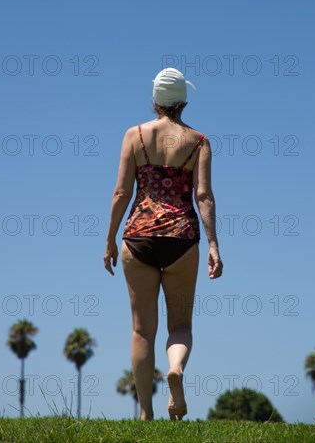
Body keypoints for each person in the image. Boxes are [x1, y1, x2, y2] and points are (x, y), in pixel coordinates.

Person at [103, 68, 223, 421]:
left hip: (138, 237)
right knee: (180, 325)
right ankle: (176, 369)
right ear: (183, 100)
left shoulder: (134, 135)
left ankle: (145, 414)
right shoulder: (199, 142)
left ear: (155, 100)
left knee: (142, 330)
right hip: (182, 239)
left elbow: (122, 192)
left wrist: (110, 239)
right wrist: (214, 245)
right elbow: (204, 196)